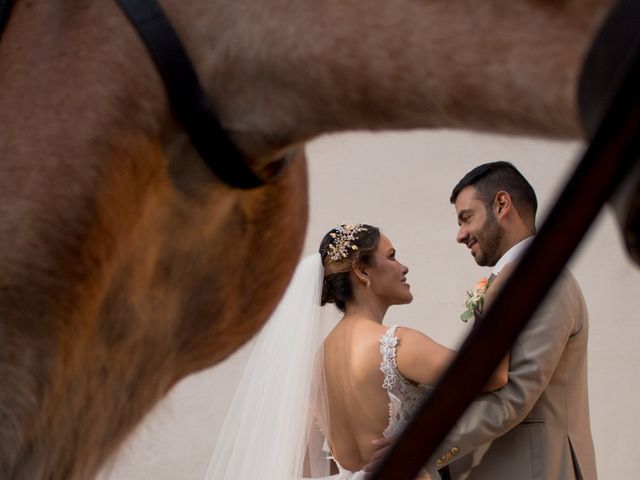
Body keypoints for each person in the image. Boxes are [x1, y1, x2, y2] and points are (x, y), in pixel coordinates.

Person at [204, 224, 508, 480]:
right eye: (391, 256)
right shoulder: (396, 344)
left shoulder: (315, 365)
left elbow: (308, 467)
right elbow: (494, 375)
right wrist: (498, 307)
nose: (403, 267)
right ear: (362, 271)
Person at [422, 161, 597, 479]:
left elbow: (515, 394)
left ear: (501, 204)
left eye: (466, 218)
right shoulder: (511, 282)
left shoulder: (545, 280)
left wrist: (421, 446)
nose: (460, 235)